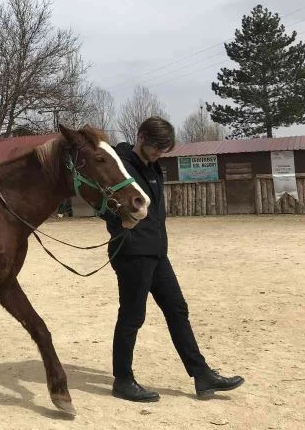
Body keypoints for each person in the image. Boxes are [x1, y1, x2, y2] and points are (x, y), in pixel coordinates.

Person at [101, 116, 244, 402]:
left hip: (156, 252)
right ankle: (123, 379)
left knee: (177, 309)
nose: (159, 153)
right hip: (131, 252)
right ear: (140, 137)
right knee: (132, 316)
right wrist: (120, 226)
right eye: (156, 147)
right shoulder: (120, 165)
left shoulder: (153, 167)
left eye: (163, 150)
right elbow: (104, 204)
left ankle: (201, 375)